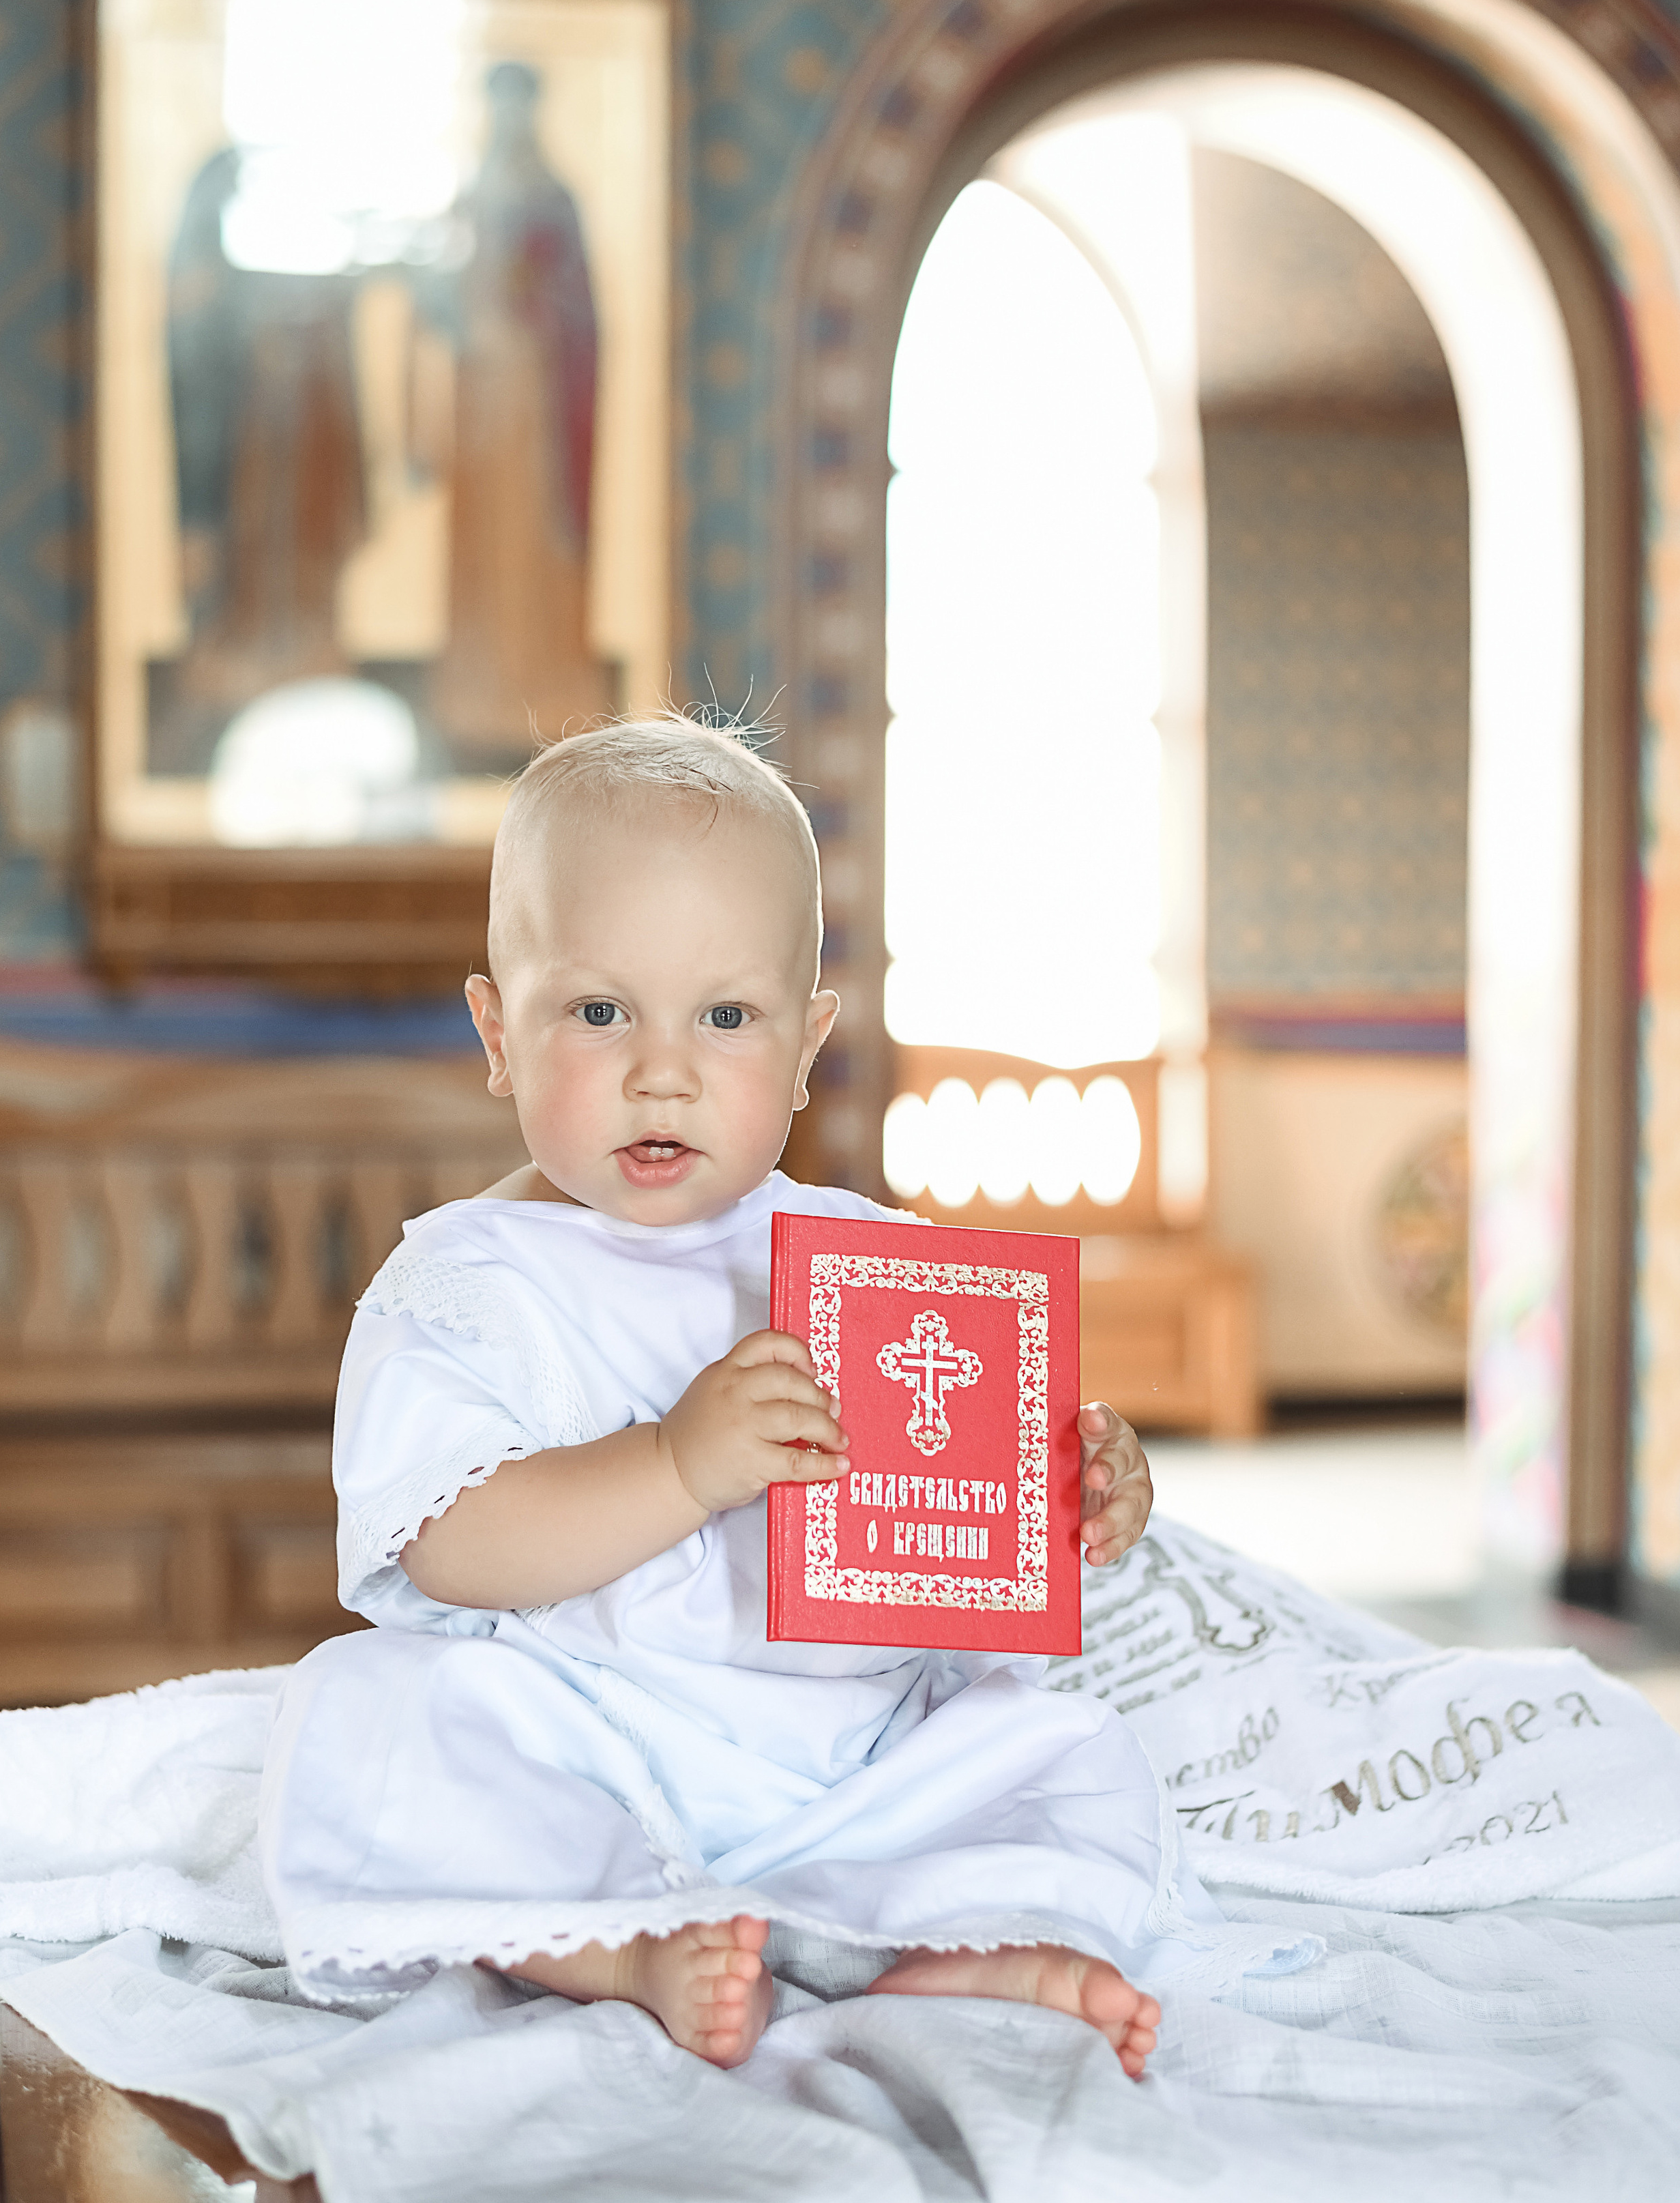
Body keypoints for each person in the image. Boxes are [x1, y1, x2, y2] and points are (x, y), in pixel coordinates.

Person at [260, 716, 1224, 2076]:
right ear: (497, 1031)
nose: (664, 1070)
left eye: (726, 1018)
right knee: (370, 1716)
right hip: (593, 1735)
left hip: (855, 1747)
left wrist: (1068, 1490)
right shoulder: (472, 1281)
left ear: (808, 1040)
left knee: (1065, 1745)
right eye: (599, 1013)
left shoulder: (873, 1258)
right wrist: (675, 1465)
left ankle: (961, 1943)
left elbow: (957, 1502)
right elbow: (446, 1547)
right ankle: (618, 1941)